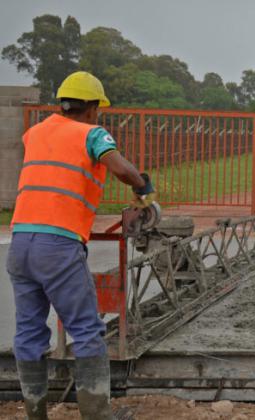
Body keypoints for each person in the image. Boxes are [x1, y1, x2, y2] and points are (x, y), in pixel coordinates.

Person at [7, 71, 153, 419]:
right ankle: (97, 414)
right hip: (57, 244)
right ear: (91, 108)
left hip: (21, 243)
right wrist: (143, 187)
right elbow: (121, 169)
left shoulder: (36, 132)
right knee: (86, 329)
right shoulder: (93, 133)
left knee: (28, 331)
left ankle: (35, 412)